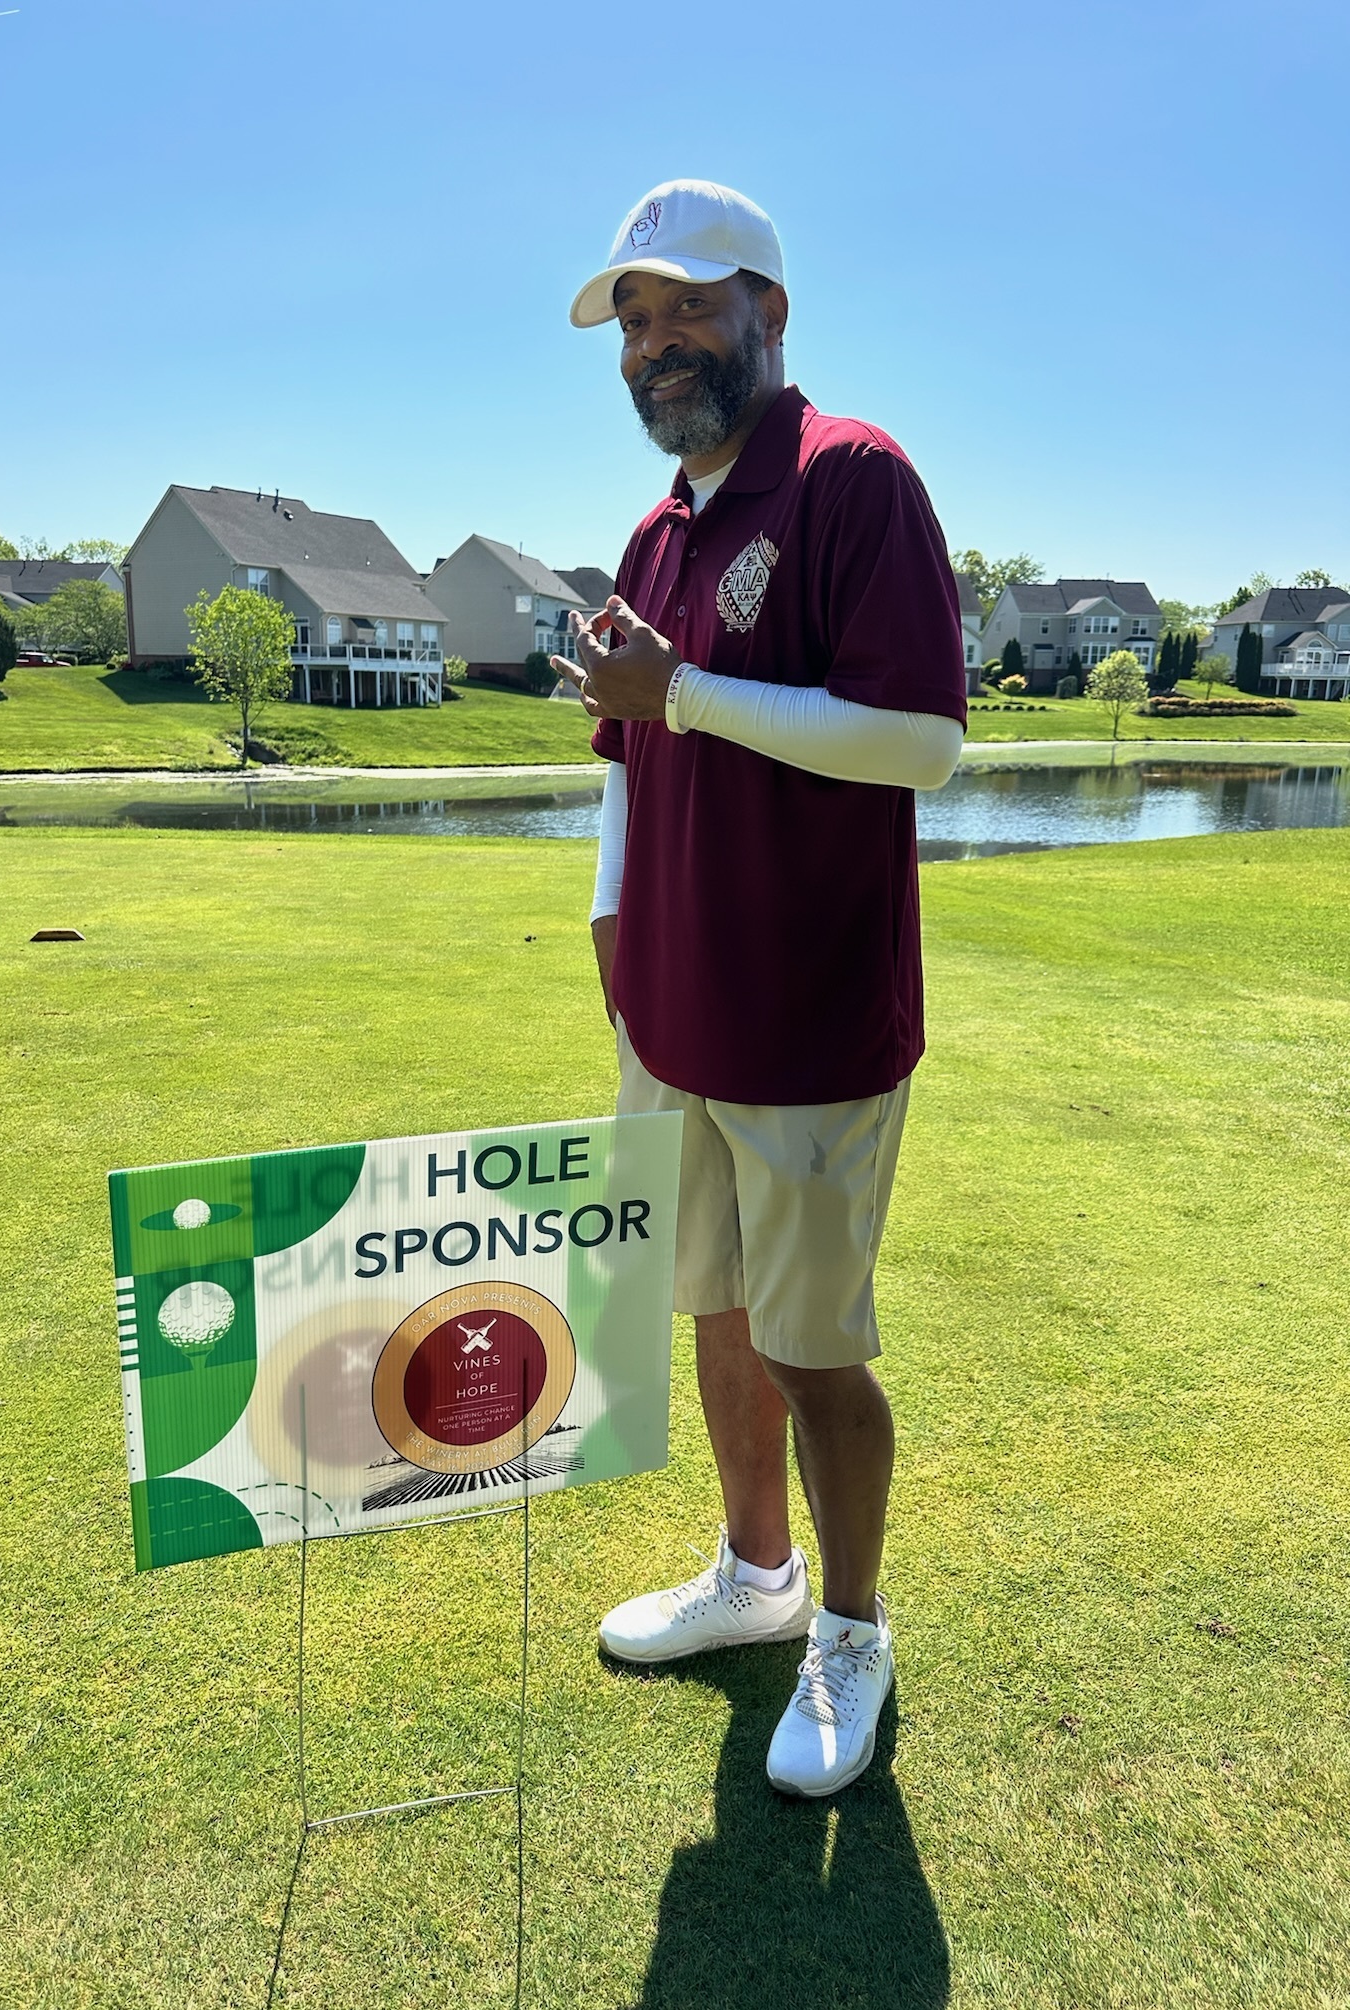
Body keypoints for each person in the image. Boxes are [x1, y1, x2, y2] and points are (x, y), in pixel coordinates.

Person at [552, 180, 967, 1799]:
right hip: (675, 1006)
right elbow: (626, 748)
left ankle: (849, 1631)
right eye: (635, 322)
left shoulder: (853, 477)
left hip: (808, 1018)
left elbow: (919, 741)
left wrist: (693, 693)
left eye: (687, 309)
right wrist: (609, 911)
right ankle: (755, 1576)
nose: (657, 345)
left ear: (767, 313)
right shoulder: (658, 533)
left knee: (811, 1349)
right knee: (710, 1312)